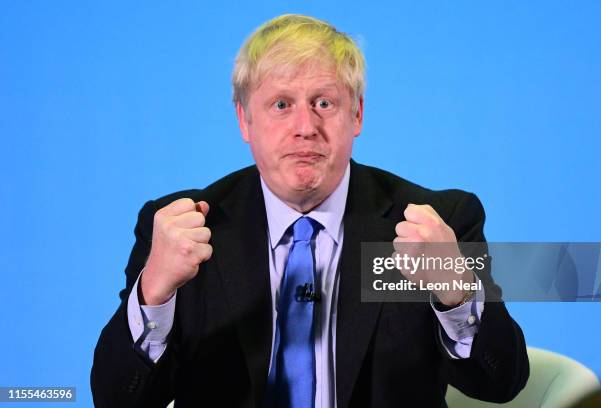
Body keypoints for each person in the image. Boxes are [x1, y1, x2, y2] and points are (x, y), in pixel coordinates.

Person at [91, 14, 529, 408]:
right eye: (281, 105)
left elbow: (501, 382)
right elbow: (117, 400)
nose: (306, 127)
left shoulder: (435, 221)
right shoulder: (182, 228)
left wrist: (455, 289)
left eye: (324, 103)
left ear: (355, 115)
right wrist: (154, 293)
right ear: (244, 120)